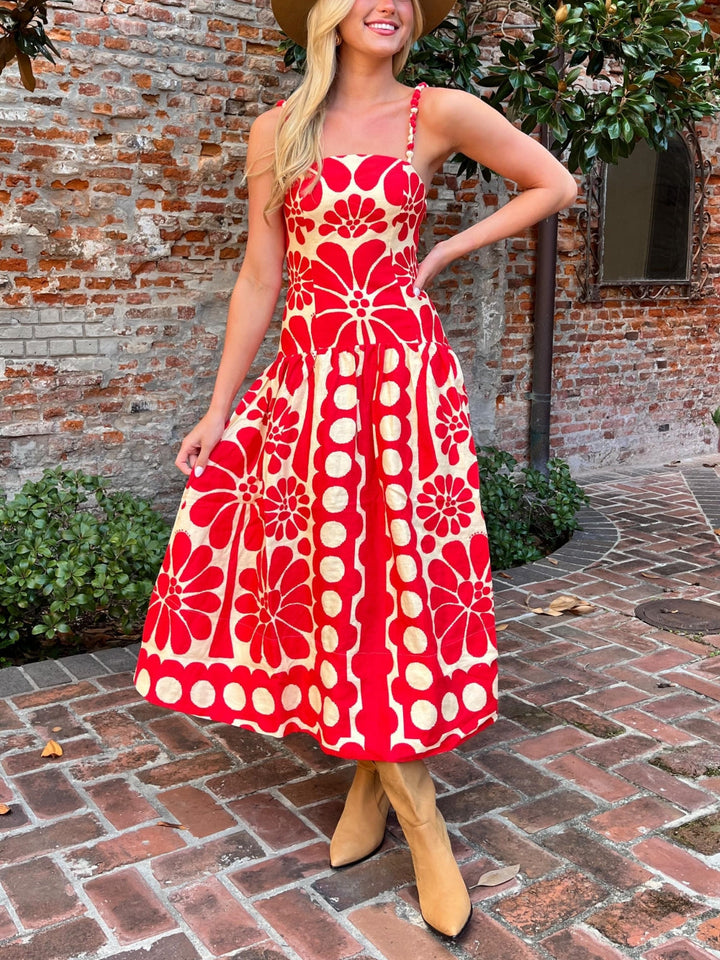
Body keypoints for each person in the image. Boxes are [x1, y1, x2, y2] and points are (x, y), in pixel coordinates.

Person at [133, 0, 577, 938]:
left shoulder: (437, 112)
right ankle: (390, 798)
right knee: (334, 580)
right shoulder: (278, 129)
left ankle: (410, 819)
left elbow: (554, 185)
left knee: (396, 583)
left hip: (402, 382)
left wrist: (446, 249)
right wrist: (219, 407)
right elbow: (262, 273)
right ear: (328, 14)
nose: (393, 4)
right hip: (309, 381)